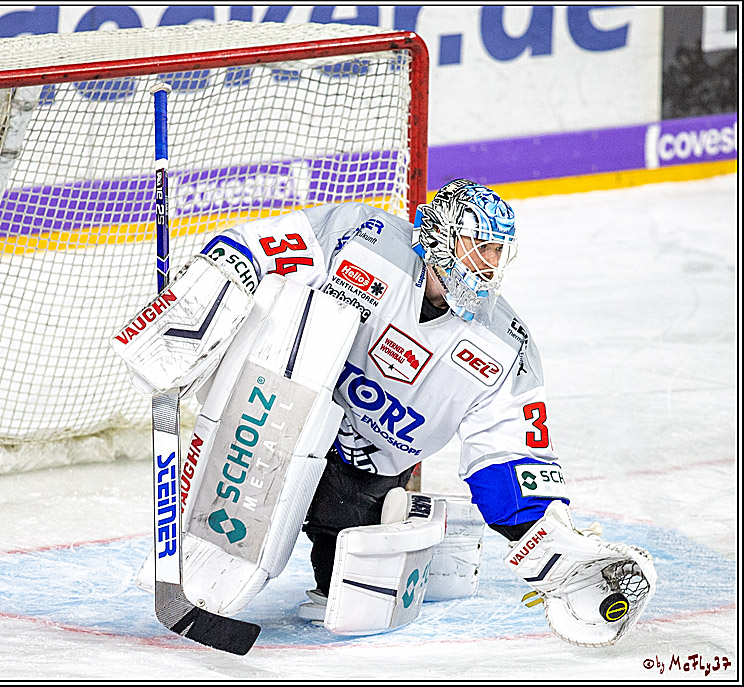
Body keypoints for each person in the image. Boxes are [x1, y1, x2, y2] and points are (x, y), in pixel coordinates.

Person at [115, 178, 655, 646]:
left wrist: (542, 536)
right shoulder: (363, 238)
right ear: (439, 239)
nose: (489, 266)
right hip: (277, 419)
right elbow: (255, 247)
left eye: (498, 252)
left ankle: (373, 529)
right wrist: (202, 298)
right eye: (479, 247)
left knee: (347, 588)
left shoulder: (504, 347)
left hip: (364, 469)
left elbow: (510, 450)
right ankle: (206, 552)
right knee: (235, 506)